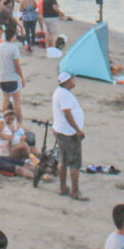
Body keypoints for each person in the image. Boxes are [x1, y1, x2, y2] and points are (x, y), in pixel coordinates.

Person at [52, 72, 87, 201]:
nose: (74, 81)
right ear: (67, 82)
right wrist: (77, 130)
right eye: (72, 80)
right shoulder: (64, 95)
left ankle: (63, 187)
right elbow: (67, 114)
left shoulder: (60, 92)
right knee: (74, 163)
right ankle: (75, 190)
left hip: (60, 130)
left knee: (63, 160)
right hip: (68, 133)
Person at [0, 26, 24, 121]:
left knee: (5, 99)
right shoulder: (14, 48)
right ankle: (19, 122)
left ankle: (5, 120)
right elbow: (17, 65)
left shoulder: (0, 47)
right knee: (16, 101)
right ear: (13, 36)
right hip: (12, 77)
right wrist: (22, 78)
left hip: (2, 77)